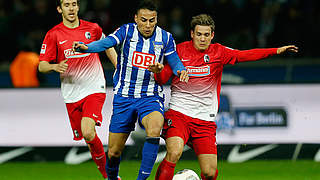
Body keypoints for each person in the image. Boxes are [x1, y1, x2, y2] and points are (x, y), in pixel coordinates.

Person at [154, 14, 298, 180]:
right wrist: (158, 72)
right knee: (174, 151)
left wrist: (276, 51)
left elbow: (245, 55)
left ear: (212, 35)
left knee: (209, 173)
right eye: (199, 34)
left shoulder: (219, 52)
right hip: (179, 114)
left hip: (204, 121)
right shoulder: (178, 51)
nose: (202, 38)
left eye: (206, 35)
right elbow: (162, 77)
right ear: (192, 34)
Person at [73, 1, 189, 179]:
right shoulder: (126, 31)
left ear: (156, 19)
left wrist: (181, 70)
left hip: (150, 96)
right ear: (136, 18)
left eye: (152, 20)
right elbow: (107, 43)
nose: (148, 25)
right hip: (124, 97)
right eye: (144, 20)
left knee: (155, 128)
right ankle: (112, 178)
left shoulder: (165, 38)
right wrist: (88, 47)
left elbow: (174, 60)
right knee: (113, 153)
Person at [38, 0, 118, 179]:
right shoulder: (54, 34)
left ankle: (110, 176)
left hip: (94, 87)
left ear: (78, 7)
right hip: (71, 93)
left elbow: (109, 45)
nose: (71, 8)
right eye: (66, 5)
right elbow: (41, 66)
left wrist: (118, 67)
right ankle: (108, 175)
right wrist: (54, 66)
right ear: (59, 9)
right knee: (88, 138)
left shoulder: (93, 28)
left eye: (74, 4)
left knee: (88, 131)